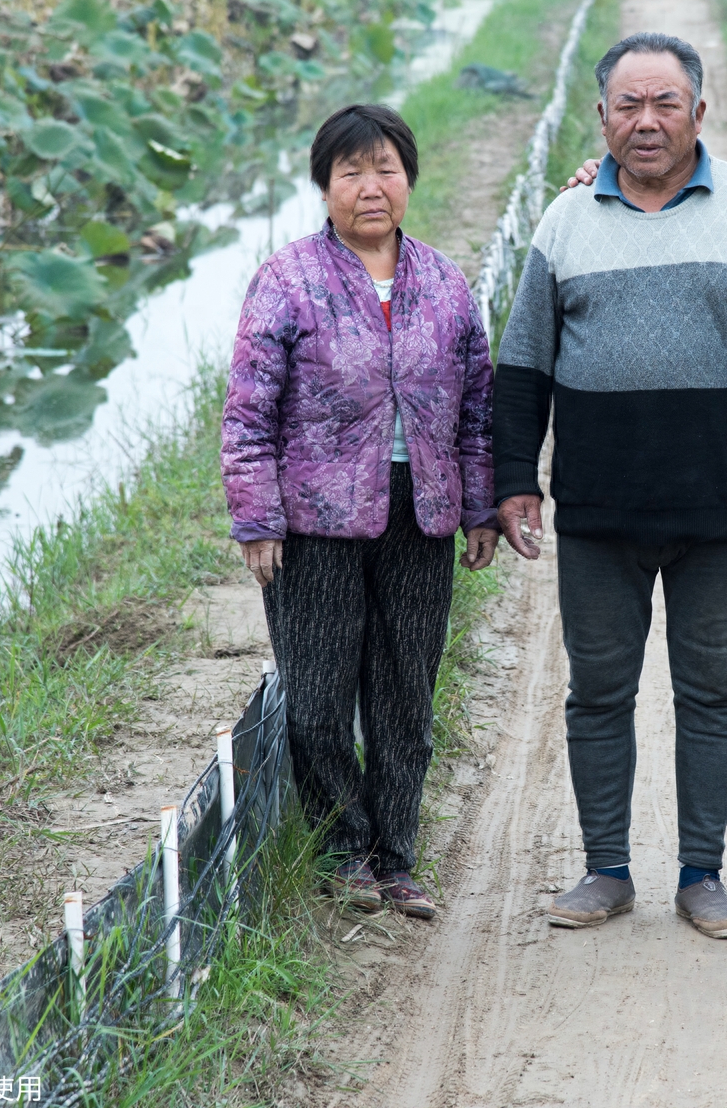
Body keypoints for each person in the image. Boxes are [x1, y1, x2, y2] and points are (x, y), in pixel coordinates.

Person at [493, 32, 727, 940]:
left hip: (721, 511)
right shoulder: (565, 224)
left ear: (699, 113)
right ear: (600, 118)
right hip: (599, 509)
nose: (646, 121)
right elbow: (522, 364)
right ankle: (606, 868)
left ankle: (703, 873)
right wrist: (516, 477)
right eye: (627, 106)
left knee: (711, 689)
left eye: (664, 103)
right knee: (599, 690)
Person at [221, 103, 499, 920]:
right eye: (351, 173)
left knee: (404, 694)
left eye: (386, 169)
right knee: (316, 695)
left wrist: (478, 505)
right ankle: (345, 850)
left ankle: (398, 856)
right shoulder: (288, 279)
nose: (370, 187)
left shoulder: (445, 281)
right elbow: (247, 411)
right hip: (313, 522)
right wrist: (258, 515)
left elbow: (478, 405)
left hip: (423, 514)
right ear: (325, 187)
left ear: (409, 178)